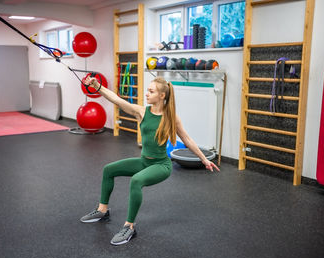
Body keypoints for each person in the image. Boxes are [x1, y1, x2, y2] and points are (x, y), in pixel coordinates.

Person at [80, 76, 220, 246]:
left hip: (161, 165)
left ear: (162, 96)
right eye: (148, 90)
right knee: (109, 169)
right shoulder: (142, 111)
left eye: (151, 91)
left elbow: (187, 139)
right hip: (144, 161)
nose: (146, 94)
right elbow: (117, 99)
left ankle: (129, 227)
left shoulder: (171, 117)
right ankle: (102, 210)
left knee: (136, 181)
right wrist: (97, 86)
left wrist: (204, 160)